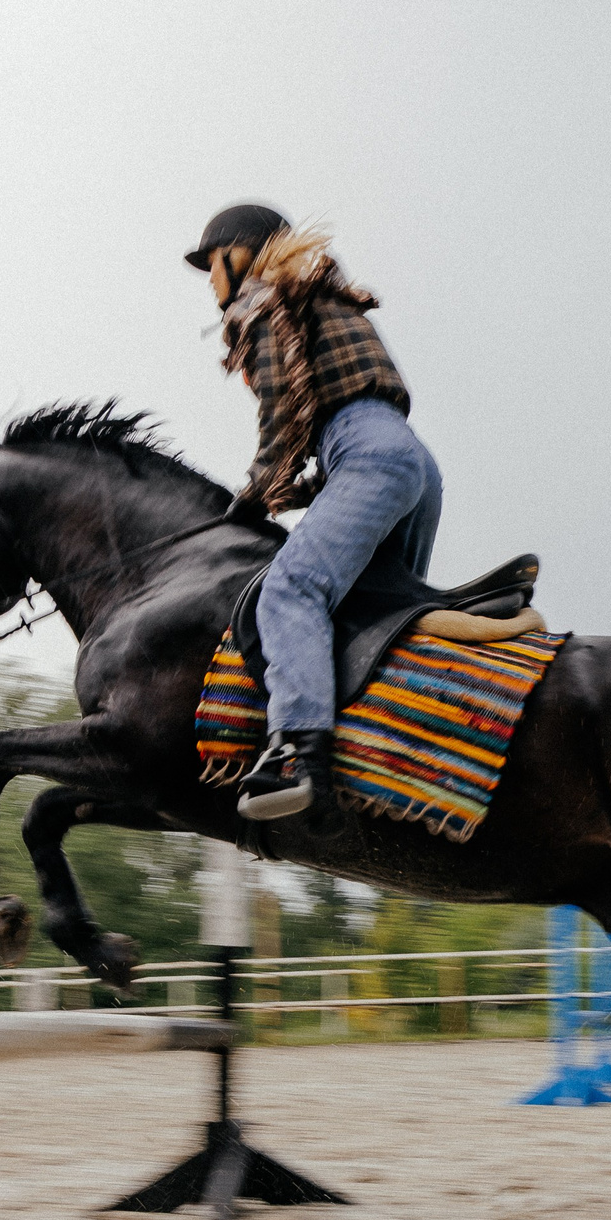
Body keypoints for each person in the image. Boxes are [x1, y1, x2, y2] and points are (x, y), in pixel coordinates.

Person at [186, 202, 439, 821]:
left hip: (366, 454)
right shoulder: (316, 293)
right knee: (374, 619)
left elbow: (283, 416)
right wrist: (289, 492)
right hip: (409, 463)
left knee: (290, 590)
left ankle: (298, 753)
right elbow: (342, 426)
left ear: (239, 254)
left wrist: (253, 494)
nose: (210, 280)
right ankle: (378, 752)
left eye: (212, 264)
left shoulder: (262, 299)